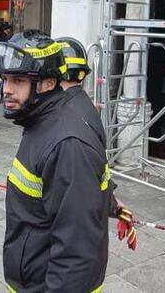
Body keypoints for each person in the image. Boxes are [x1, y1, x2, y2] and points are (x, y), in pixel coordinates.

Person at [0, 30, 110, 292]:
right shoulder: (42, 118)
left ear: (47, 84)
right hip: (31, 275)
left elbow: (76, 252)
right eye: (5, 79)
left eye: (18, 80)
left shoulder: (66, 144)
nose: (6, 90)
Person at [56, 36, 137, 251]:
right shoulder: (82, 106)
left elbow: (81, 184)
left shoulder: (65, 118)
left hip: (73, 240)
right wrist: (112, 203)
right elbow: (97, 169)